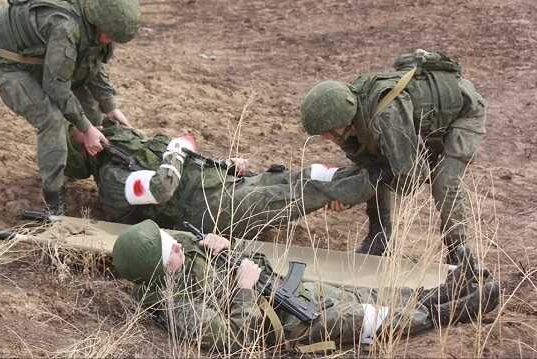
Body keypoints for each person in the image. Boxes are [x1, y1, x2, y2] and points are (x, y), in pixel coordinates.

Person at [112, 220, 499, 353]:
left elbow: (252, 265)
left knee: (363, 293)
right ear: (159, 271)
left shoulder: (184, 254)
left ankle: (439, 292)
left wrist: (232, 250)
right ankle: (442, 315)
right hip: (288, 325)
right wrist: (245, 289)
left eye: (169, 239)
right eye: (169, 250)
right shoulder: (181, 309)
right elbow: (236, 340)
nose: (177, 244)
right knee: (363, 318)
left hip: (285, 290)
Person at [299, 50, 487, 272]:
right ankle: (379, 238)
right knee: (377, 166)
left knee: (444, 182)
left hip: (462, 113)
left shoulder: (386, 116)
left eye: (328, 132)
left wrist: (361, 188)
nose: (326, 138)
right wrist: (347, 195)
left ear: (341, 119)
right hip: (423, 123)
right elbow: (368, 167)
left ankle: (459, 253)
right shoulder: (348, 116)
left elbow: (410, 178)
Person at [65, 123, 376, 239]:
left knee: (311, 175)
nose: (87, 121)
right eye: (80, 126)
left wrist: (225, 165)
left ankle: (368, 173)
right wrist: (178, 147)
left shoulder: (121, 147)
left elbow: (182, 171)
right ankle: (382, 179)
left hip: (222, 188)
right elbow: (162, 189)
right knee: (307, 191)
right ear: (83, 148)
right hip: (215, 212)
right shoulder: (113, 180)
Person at [0, 0, 140, 215]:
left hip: (36, 56)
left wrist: (110, 107)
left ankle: (72, 164)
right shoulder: (66, 27)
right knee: (51, 119)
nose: (109, 40)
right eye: (108, 35)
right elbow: (57, 88)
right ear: (98, 22)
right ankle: (52, 201)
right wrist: (85, 128)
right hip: (2, 59)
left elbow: (91, 65)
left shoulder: (96, 25)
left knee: (95, 119)